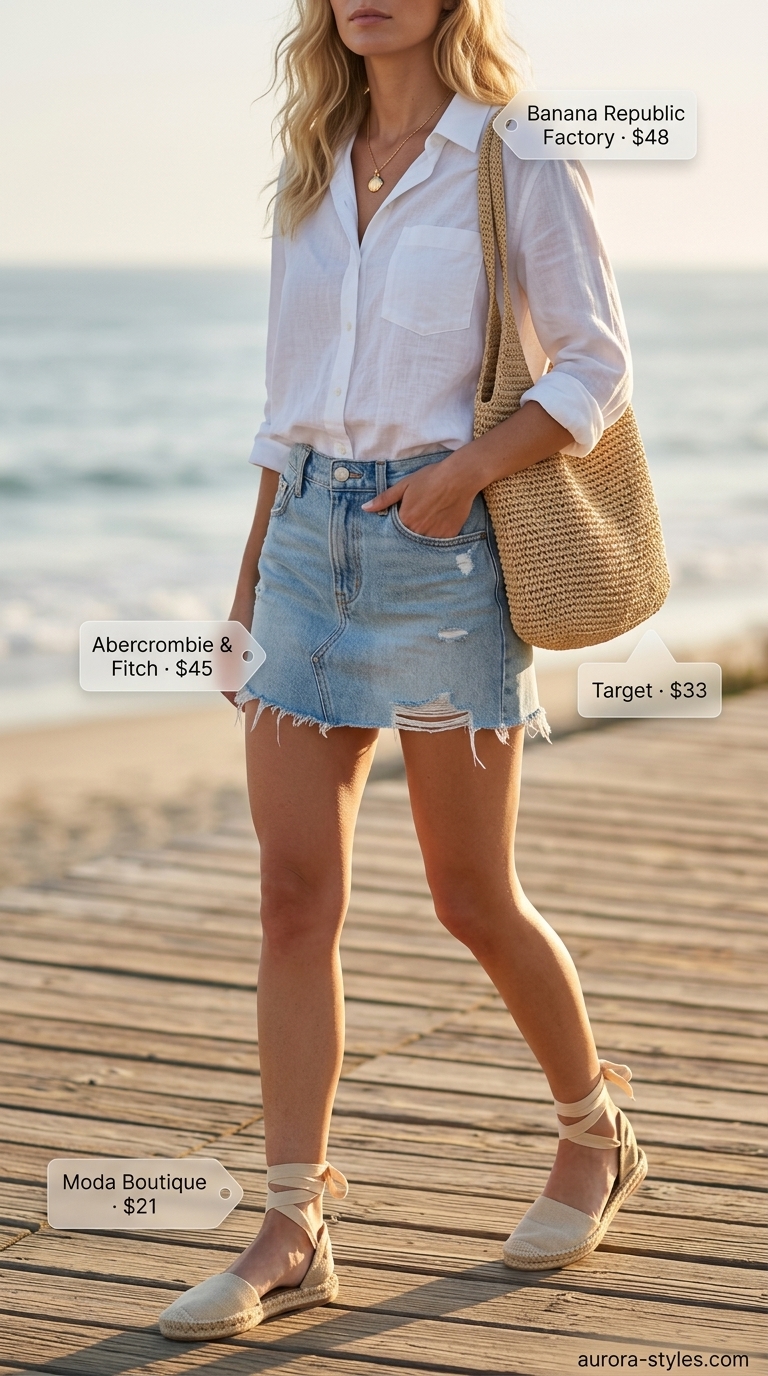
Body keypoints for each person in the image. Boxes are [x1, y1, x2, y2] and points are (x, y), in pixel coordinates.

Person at [159, 0, 646, 1343]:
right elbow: (285, 397)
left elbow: (596, 364)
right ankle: (294, 1220)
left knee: (470, 894)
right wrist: (253, 578)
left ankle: (594, 1132)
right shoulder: (310, 158)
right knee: (291, 891)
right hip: (309, 546)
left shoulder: (518, 152)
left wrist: (463, 476)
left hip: (446, 559)